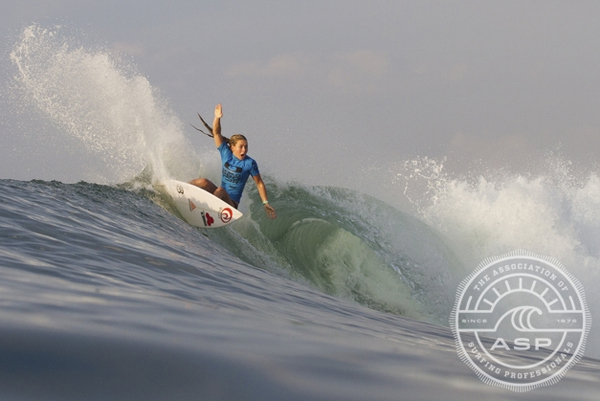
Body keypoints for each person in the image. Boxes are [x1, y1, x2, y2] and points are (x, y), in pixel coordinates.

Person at [189, 104, 277, 219]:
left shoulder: (250, 163)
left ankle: (206, 210)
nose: (244, 150)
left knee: (221, 190)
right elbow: (216, 133)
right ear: (232, 147)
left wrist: (265, 203)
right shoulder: (226, 153)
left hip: (231, 205)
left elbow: (259, 182)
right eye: (241, 146)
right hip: (218, 198)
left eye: (246, 147)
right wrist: (217, 118)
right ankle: (182, 192)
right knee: (203, 181)